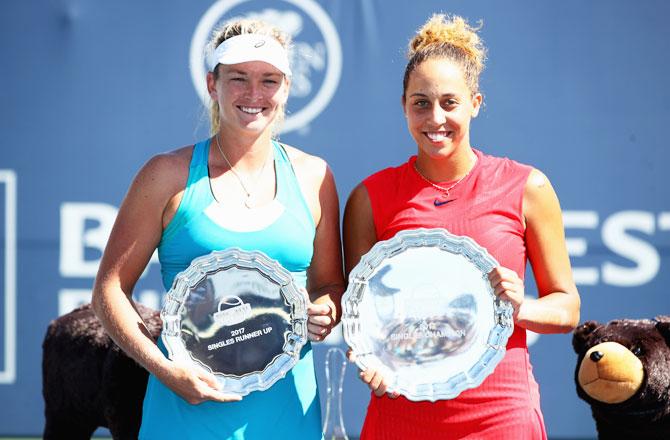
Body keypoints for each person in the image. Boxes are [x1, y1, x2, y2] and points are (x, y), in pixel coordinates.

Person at [91, 18, 344, 440]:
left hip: (288, 415)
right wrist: (166, 371)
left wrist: (323, 311)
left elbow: (328, 285)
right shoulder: (166, 175)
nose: (253, 94)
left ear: (285, 88)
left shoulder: (314, 176)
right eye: (238, 78)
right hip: (185, 413)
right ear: (213, 84)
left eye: (269, 80)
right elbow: (109, 291)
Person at [343, 14, 580, 440]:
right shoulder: (369, 197)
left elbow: (567, 309)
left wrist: (519, 307)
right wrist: (369, 357)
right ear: (403, 106)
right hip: (399, 413)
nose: (435, 118)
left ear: (475, 103)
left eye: (449, 102)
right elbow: (362, 320)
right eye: (420, 103)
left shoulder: (527, 186)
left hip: (500, 414)